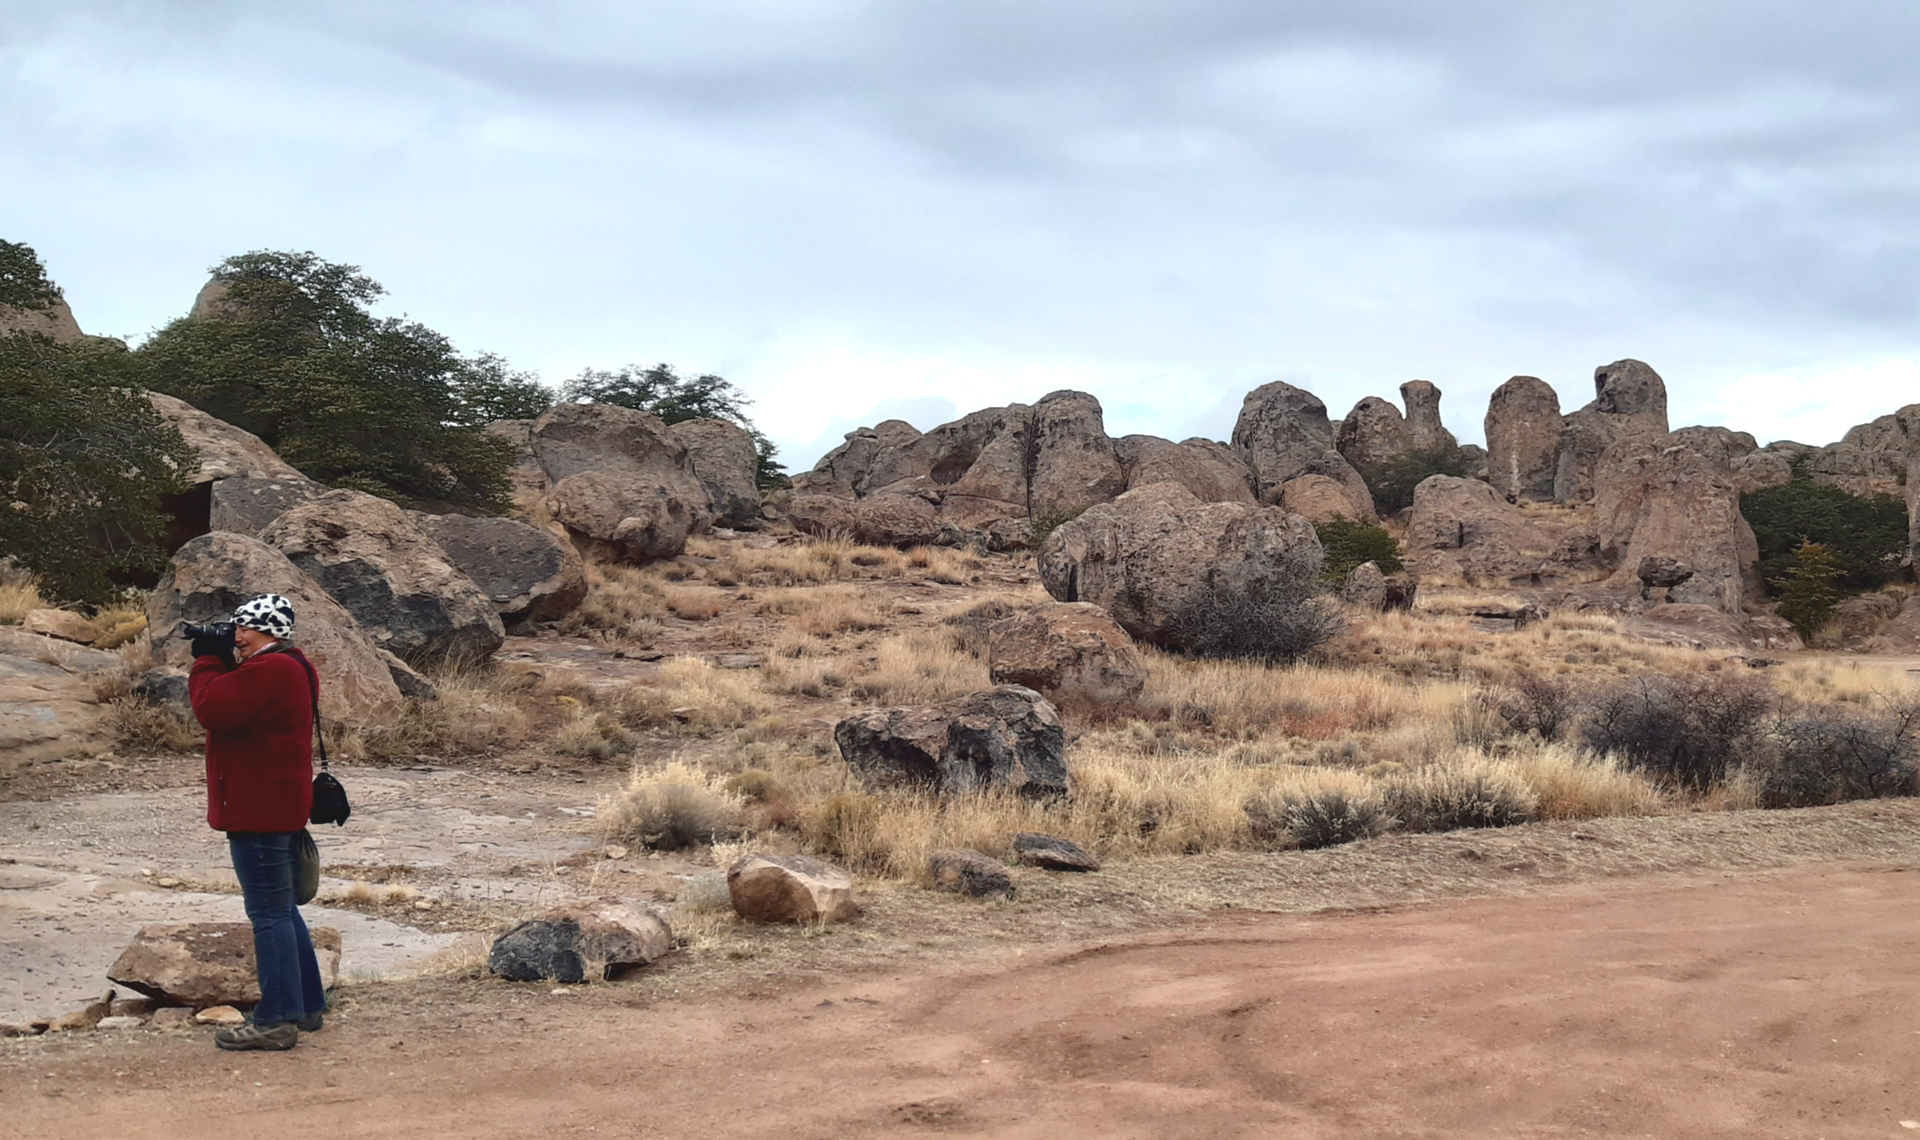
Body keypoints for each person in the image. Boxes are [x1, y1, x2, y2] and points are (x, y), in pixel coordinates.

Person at [186, 593, 328, 1052]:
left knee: (268, 913)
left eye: (243, 629)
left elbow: (213, 709)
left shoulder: (271, 669)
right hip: (276, 804)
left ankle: (277, 1018)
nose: (238, 638)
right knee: (282, 908)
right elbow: (240, 703)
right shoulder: (290, 664)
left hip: (260, 809)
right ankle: (304, 1005)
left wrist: (208, 659)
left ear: (268, 629)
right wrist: (224, 656)